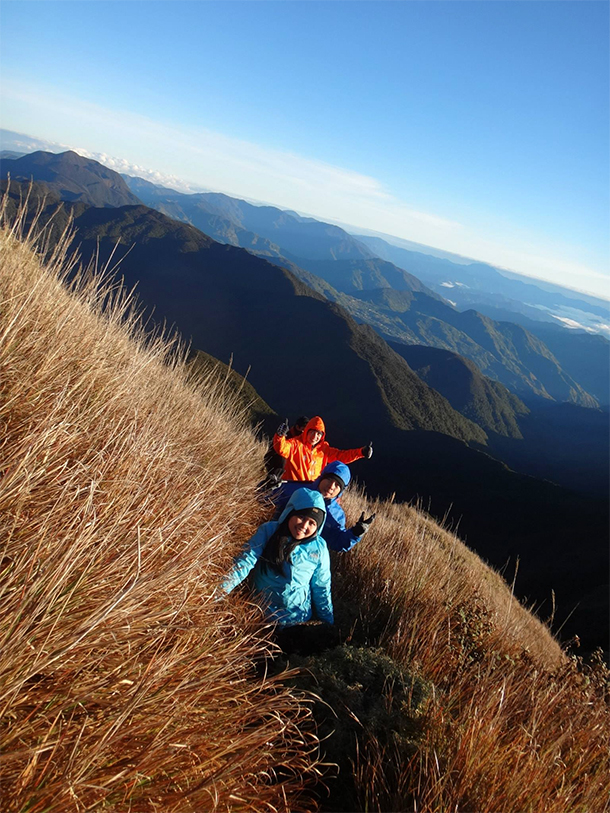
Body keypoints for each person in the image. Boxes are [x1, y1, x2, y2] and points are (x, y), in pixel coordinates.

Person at [222, 488, 333, 626]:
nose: (304, 525)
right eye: (302, 517)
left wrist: (328, 622)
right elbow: (245, 561)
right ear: (291, 512)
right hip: (261, 617)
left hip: (298, 620)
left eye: (312, 523)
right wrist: (218, 592)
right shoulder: (269, 531)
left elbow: (321, 586)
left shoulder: (319, 547)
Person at [272, 461, 376, 552]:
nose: (331, 487)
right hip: (274, 544)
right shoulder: (298, 489)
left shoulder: (337, 515)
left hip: (304, 560)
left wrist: (355, 534)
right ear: (322, 477)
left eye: (337, 485)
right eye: (330, 480)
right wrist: (269, 486)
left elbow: (336, 543)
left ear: (341, 490)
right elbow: (264, 497)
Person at [273, 415, 373, 483]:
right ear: (307, 431)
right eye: (312, 432)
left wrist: (361, 452)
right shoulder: (295, 444)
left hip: (313, 489)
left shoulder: (323, 449)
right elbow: (281, 448)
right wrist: (280, 436)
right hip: (293, 487)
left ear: (322, 436)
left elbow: (341, 456)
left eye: (318, 434)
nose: (314, 436)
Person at [261, 415, 309, 490]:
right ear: (298, 427)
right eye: (304, 429)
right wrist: (280, 436)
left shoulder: (301, 441)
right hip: (276, 463)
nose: (305, 433)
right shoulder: (287, 437)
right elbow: (278, 449)